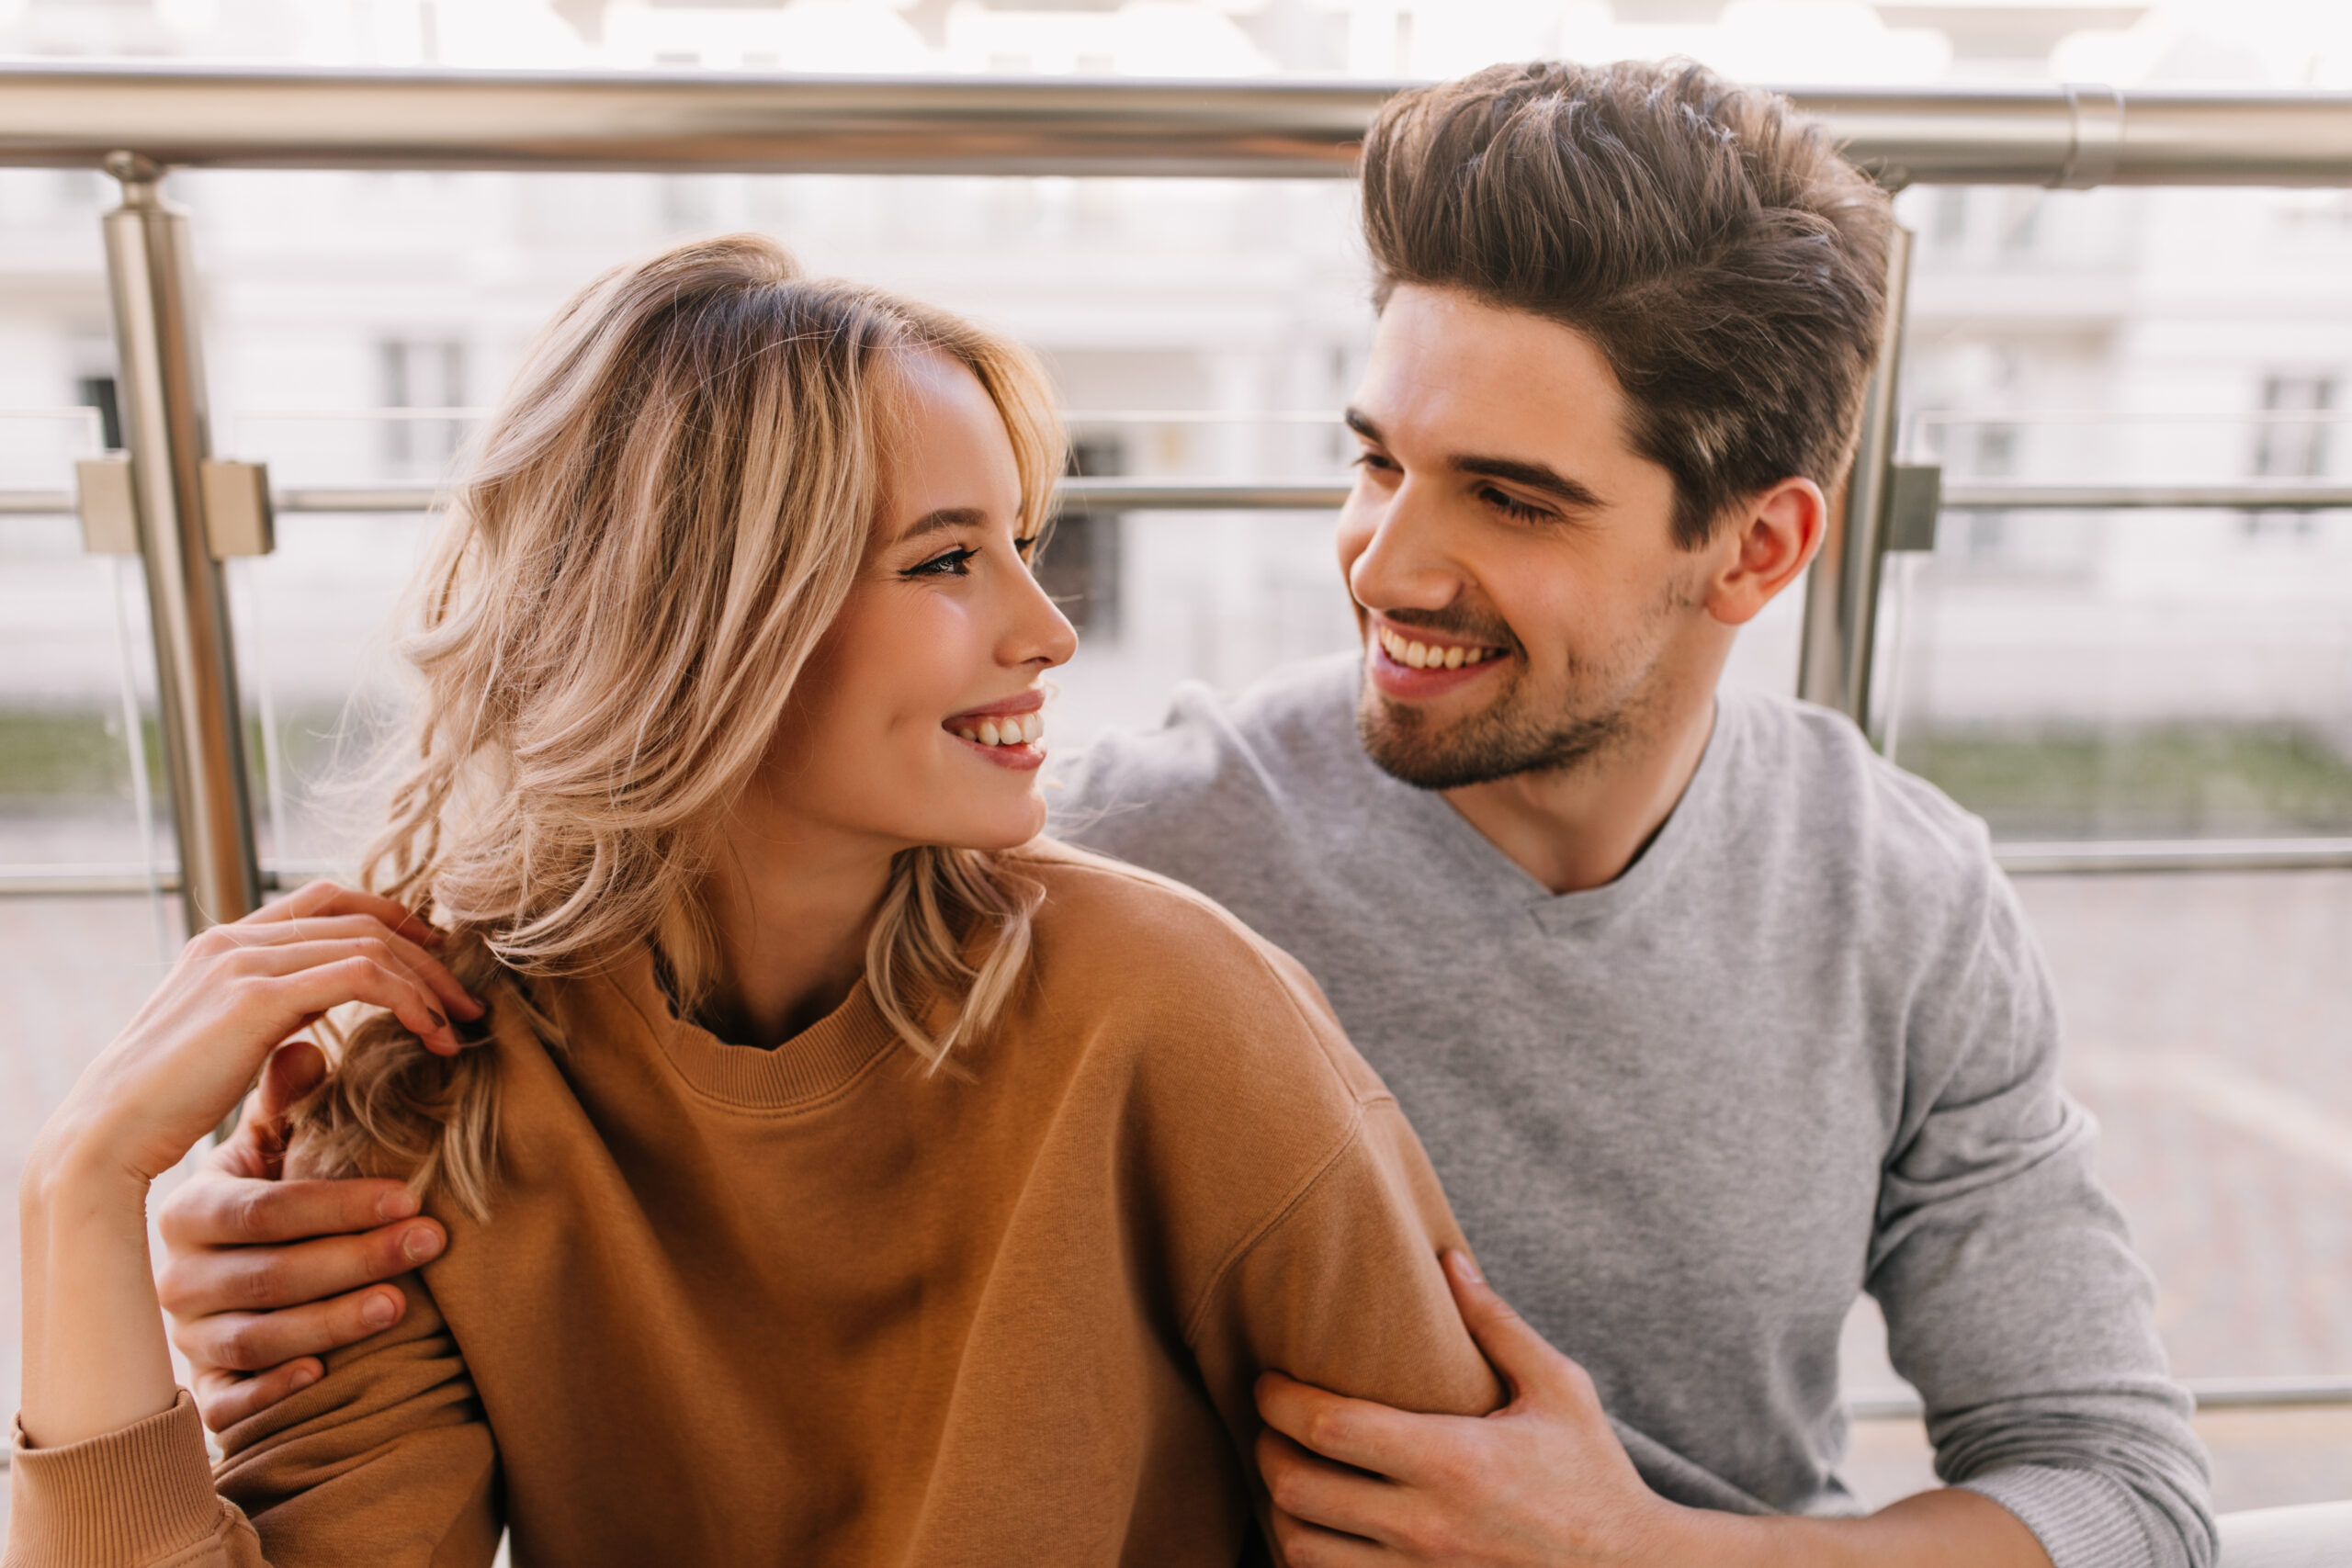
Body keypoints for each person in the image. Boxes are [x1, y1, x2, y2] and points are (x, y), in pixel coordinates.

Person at [146, 61, 2215, 1568]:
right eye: (1371, 456)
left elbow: (2117, 1490)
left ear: (1753, 551)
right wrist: (263, 1237)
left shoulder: (1899, 893)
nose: (1384, 559)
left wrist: (1650, 1558)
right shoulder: (1098, 871)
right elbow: (689, 986)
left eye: (1505, 499)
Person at [6, 236, 1510, 1565]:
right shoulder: (428, 1076)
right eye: (944, 561)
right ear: (699, 620)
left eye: (1023, 548)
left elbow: (1448, 1526)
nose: (1048, 631)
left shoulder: (1177, 1009)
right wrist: (80, 1197)